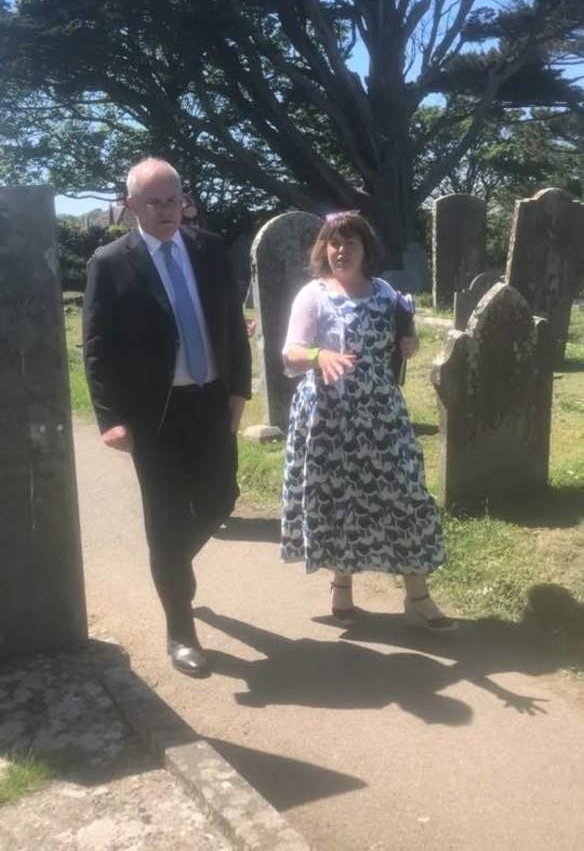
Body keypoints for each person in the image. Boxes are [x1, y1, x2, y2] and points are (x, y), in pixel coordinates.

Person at [83, 157, 252, 677]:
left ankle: (171, 565)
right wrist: (110, 417)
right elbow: (96, 346)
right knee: (165, 518)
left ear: (184, 200)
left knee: (222, 496)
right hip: (153, 414)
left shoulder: (208, 248)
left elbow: (229, 322)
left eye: (172, 199)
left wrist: (240, 390)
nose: (165, 210)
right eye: (153, 202)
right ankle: (180, 627)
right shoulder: (110, 262)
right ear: (132, 205)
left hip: (210, 399)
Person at [281, 211, 456, 631]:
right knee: (341, 499)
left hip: (381, 413)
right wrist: (320, 356)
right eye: (334, 244)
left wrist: (407, 343)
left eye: (350, 244)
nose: (341, 251)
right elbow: (290, 355)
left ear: (366, 249)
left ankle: (417, 599)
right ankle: (341, 591)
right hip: (329, 415)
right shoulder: (314, 295)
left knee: (407, 496)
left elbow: (396, 345)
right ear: (324, 248)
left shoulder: (384, 293)